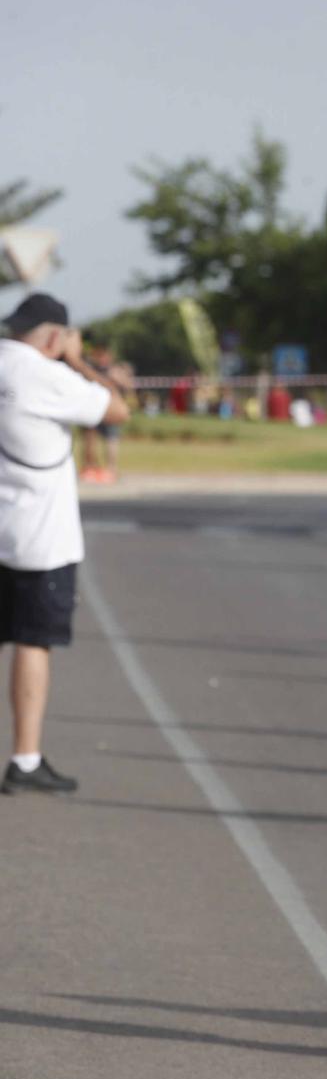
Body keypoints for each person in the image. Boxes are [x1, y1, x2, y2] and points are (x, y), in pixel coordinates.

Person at [0, 294, 131, 795]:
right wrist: (77, 361)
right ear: (54, 336)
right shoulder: (47, 376)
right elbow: (116, 410)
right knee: (33, 642)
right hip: (39, 539)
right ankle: (26, 759)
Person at [76, 342, 132, 484]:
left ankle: (111, 469)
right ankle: (90, 467)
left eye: (103, 355)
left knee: (111, 439)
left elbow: (128, 386)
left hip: (110, 409)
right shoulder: (91, 369)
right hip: (94, 407)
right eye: (98, 355)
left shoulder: (114, 370)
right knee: (89, 438)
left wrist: (118, 381)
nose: (101, 358)